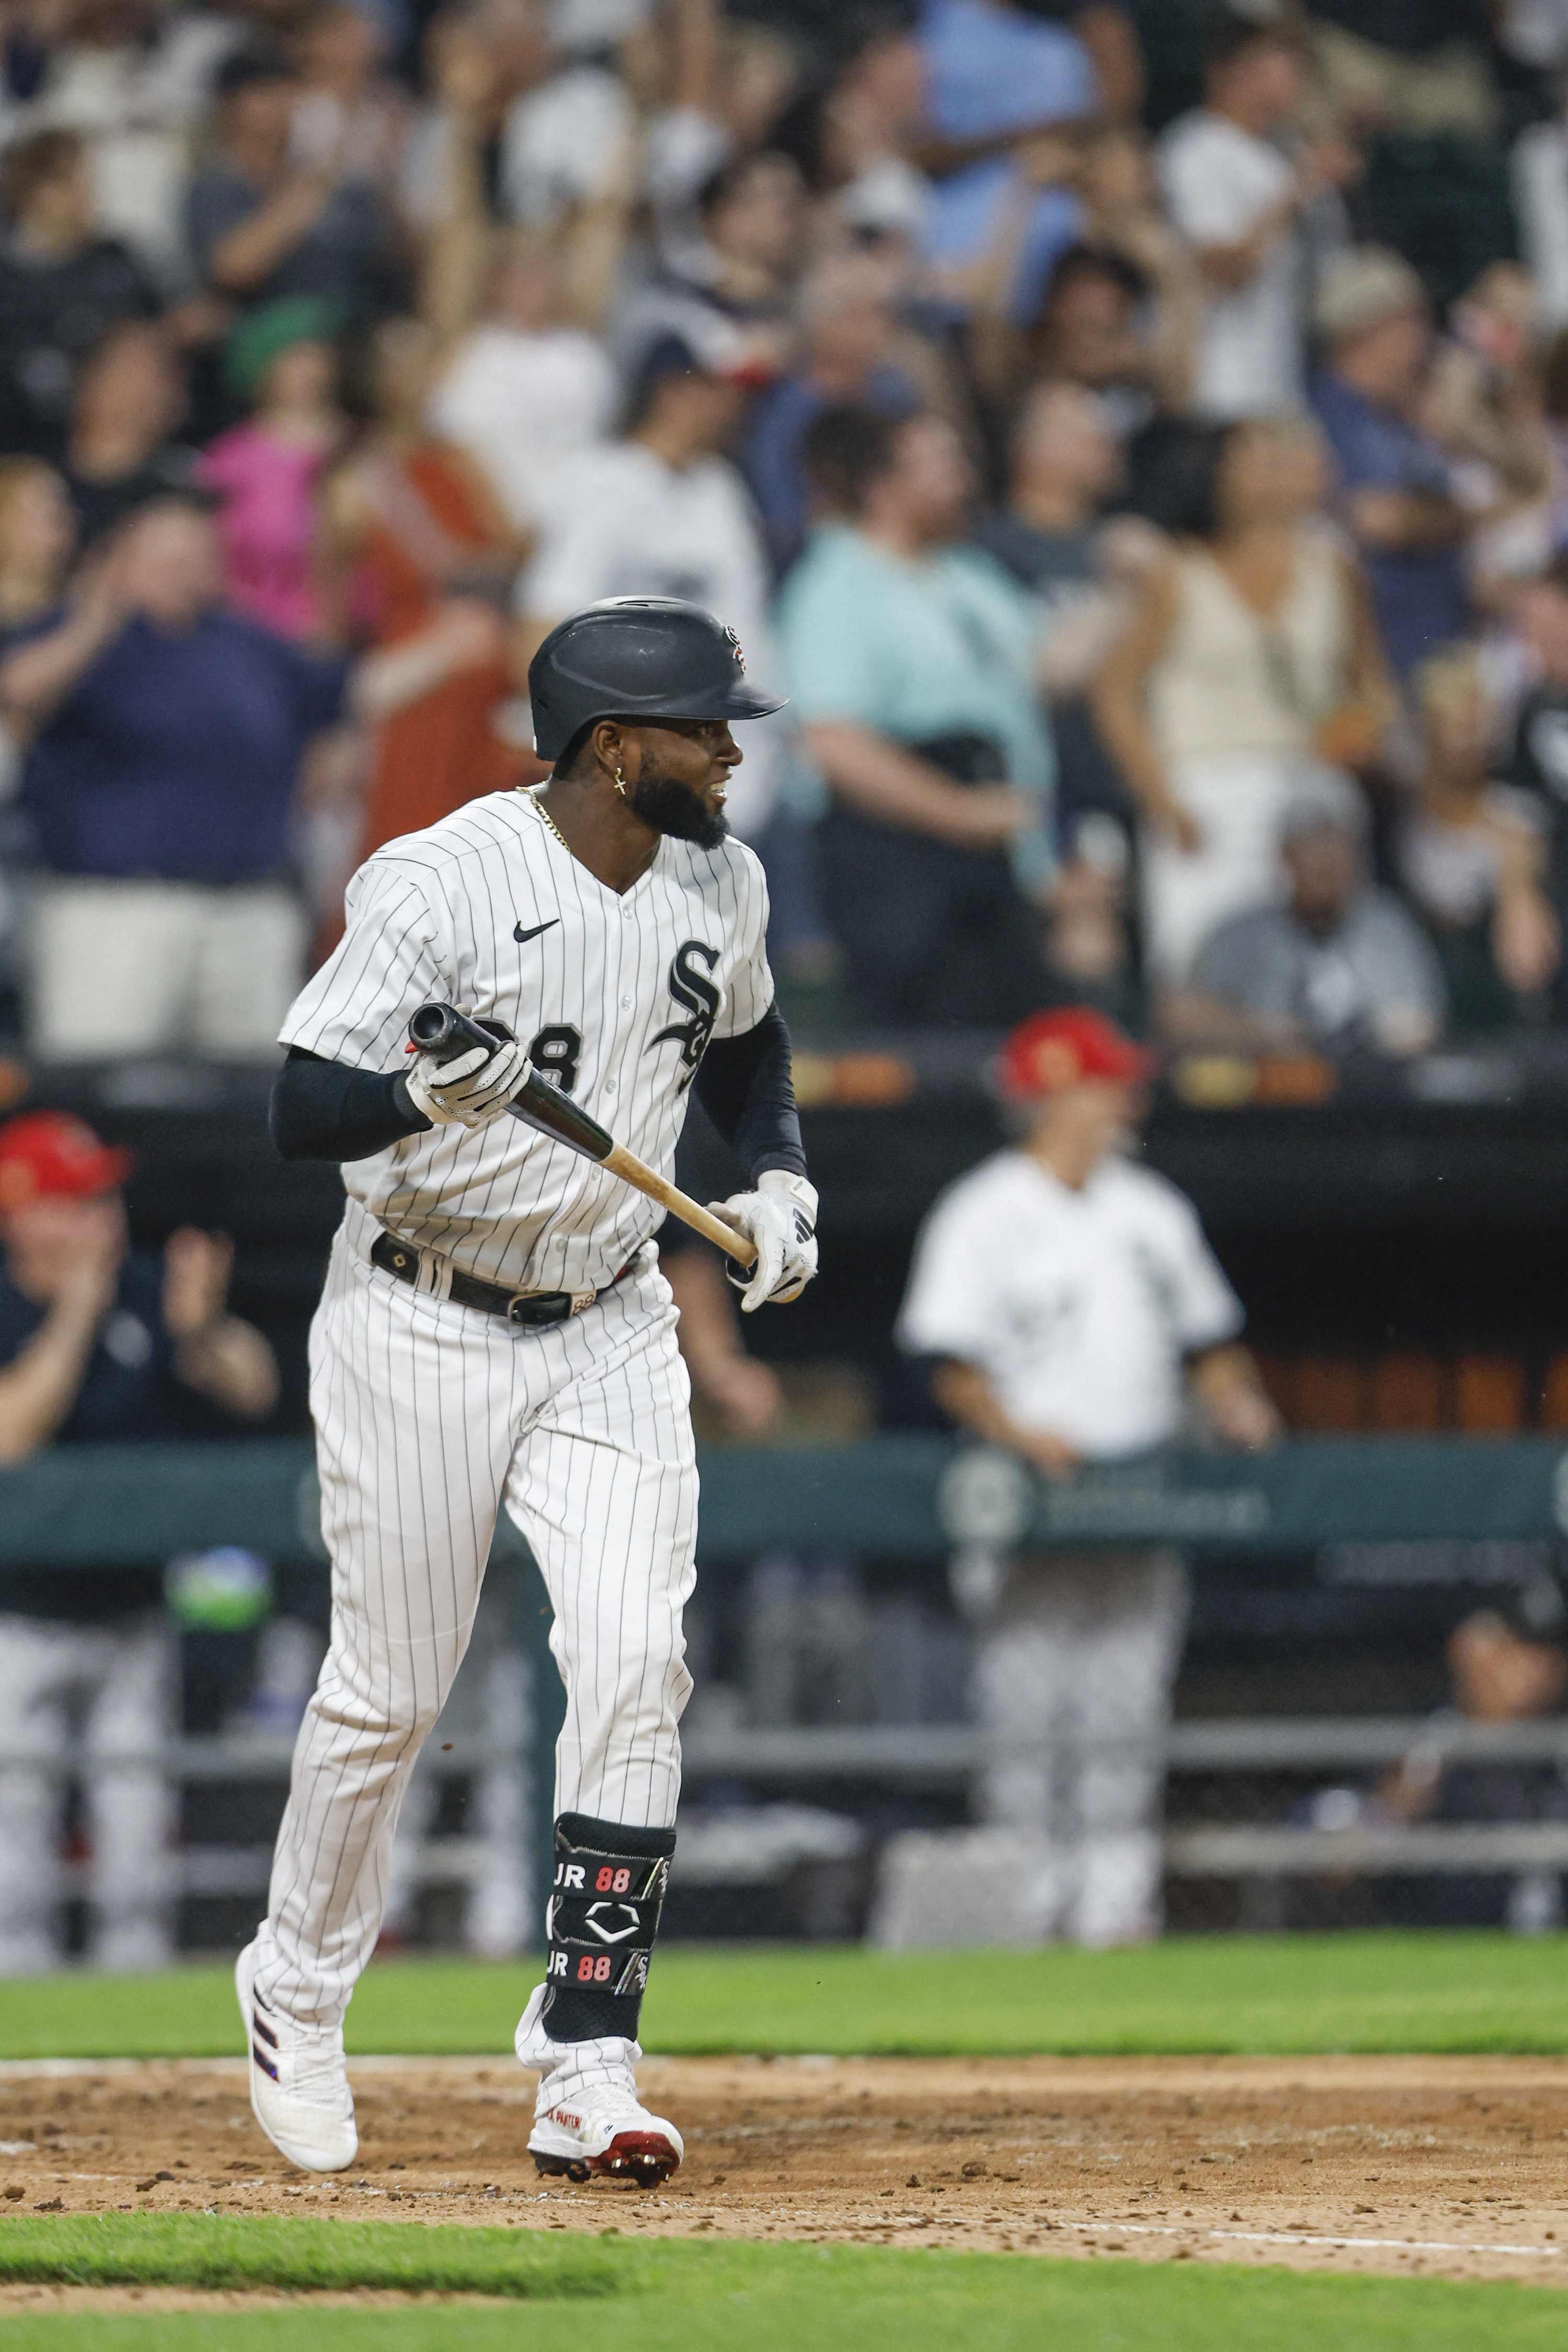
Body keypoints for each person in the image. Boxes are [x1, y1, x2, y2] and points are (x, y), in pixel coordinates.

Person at [240, 595, 815, 2183]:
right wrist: (423, 1090)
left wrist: (772, 1182)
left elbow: (751, 1049)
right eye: (706, 729)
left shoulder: (721, 877)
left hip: (613, 1313)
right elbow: (301, 1107)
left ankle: (588, 2055)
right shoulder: (443, 879)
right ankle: (294, 1981)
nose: (728, 751)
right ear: (616, 748)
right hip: (421, 1308)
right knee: (390, 1694)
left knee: (636, 1661)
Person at [893, 1006, 1278, 1948]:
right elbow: (948, 1363)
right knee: (1030, 1721)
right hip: (1028, 1502)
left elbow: (1211, 1344)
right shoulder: (984, 1209)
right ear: (1056, 1095)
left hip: (1142, 1492)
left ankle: (1115, 1911)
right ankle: (1028, 1916)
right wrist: (1017, 1432)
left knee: (1127, 1716)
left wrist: (1238, 1400)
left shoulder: (1151, 1207)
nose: (1124, 1099)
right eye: (1106, 1083)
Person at [0, 498, 436, 1058]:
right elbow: (17, 692)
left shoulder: (245, 645)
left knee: (250, 1105)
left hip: (246, 909)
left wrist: (453, 648)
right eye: (165, 557)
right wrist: (97, 613)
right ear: (120, 560)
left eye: (198, 554)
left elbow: (350, 690)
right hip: (114, 911)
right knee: (99, 1090)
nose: (185, 570)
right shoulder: (77, 637)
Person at [0, 1109, 278, 1972]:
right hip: (18, 1618)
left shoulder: (148, 1288)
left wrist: (201, 1333)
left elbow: (255, 1389)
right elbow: (10, 1436)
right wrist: (76, 1313)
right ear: (22, 1214)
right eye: (77, 1201)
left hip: (132, 1613)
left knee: (135, 1820)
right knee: (14, 1826)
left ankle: (137, 1993)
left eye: (105, 1199)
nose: (103, 1219)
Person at [776, 403, 1057, 1026]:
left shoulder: (965, 573)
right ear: (882, 487)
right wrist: (959, 812)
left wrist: (1132, 596)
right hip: (900, 857)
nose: (962, 478)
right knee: (932, 1052)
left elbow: (1049, 665)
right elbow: (834, 742)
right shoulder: (835, 586)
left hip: (989, 852)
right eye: (938, 464)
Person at [1092, 414, 1393, 985]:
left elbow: (1371, 685)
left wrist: (1359, 734)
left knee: (1322, 973)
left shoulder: (1333, 566)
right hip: (1206, 793)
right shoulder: (1179, 573)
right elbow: (1114, 691)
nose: (1272, 474)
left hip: (1310, 787)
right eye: (1254, 460)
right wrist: (1161, 798)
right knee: (1202, 973)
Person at [515, 329, 785, 845]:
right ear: (673, 392)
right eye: (724, 389)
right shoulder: (603, 482)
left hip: (741, 794)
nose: (740, 406)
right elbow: (538, 635)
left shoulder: (722, 488)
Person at [323, 313, 525, 860]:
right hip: (413, 675)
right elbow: (333, 605)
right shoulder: (357, 479)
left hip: (478, 676)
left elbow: (512, 550)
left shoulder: (461, 460)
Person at [1170, 766, 1447, 1056]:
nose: (1327, 859)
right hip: (1271, 1094)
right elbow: (1181, 1018)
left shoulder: (1387, 927)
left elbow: (1423, 1021)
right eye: (1311, 843)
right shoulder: (1240, 934)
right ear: (1284, 854)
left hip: (1373, 1095)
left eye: (1339, 842)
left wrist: (1367, 1041)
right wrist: (1266, 1034)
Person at [1157, 18, 1352, 423]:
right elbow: (1221, 268)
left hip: (1280, 384)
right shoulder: (1196, 149)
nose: (1298, 82)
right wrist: (1296, 194)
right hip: (1219, 383)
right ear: (1237, 71)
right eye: (1284, 67)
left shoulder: (1282, 153)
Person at [1310, 246, 1472, 678]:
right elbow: (1379, 520)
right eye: (1412, 320)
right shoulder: (1324, 417)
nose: (1425, 336)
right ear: (1366, 330)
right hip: (1379, 658)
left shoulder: (1402, 417)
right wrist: (1461, 517)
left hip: (1436, 643)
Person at [1396, 644, 1560, 1028]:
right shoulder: (1396, 816)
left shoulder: (1518, 818)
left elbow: (1527, 964)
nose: (1474, 742)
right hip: (1412, 995)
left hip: (1491, 996)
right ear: (1428, 730)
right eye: (1459, 728)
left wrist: (1514, 876)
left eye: (1481, 726)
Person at [185, 47, 401, 319]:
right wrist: (316, 181)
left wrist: (386, 173)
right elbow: (234, 267)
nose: (285, 102)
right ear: (230, 106)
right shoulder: (216, 185)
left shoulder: (339, 176)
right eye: (266, 92)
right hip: (269, 322)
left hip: (357, 315)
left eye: (290, 89)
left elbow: (394, 252)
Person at [0, 127, 160, 461]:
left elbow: (153, 338)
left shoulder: (116, 260)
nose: (88, 195)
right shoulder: (8, 276)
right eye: (73, 183)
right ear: (38, 192)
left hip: (109, 438)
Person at [195, 296, 348, 641]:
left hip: (359, 636)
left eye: (320, 352)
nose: (314, 367)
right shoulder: (229, 462)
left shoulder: (361, 449)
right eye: (296, 356)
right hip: (263, 639)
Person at [61, 317, 198, 550]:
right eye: (122, 366)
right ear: (87, 377)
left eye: (153, 374)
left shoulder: (176, 497)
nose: (135, 386)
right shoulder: (30, 472)